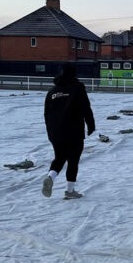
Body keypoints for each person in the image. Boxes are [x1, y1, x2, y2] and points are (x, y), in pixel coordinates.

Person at [42, 63, 95, 200]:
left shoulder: (52, 91)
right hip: (74, 130)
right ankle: (69, 191)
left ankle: (50, 177)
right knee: (73, 161)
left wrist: (50, 133)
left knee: (59, 158)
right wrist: (91, 124)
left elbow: (46, 114)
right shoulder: (78, 87)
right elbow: (85, 106)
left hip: (55, 132)